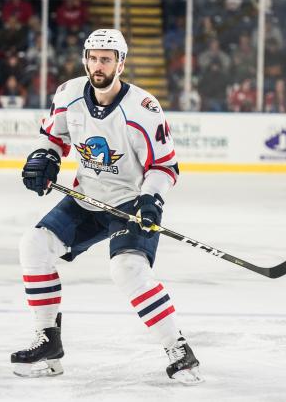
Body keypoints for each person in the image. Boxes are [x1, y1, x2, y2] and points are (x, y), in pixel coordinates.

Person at [11, 29, 203, 385]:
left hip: (130, 202)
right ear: (85, 59)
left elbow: (165, 166)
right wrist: (44, 157)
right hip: (86, 198)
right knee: (33, 245)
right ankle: (48, 342)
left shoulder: (143, 109)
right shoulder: (69, 95)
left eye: (106, 59)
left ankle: (178, 349)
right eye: (93, 58)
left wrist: (151, 199)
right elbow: (53, 138)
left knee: (127, 269)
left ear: (121, 63)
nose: (98, 66)